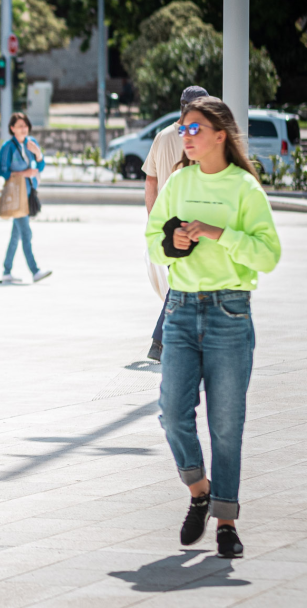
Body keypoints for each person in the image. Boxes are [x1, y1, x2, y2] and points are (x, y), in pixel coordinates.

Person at [145, 96, 281, 560]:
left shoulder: (245, 187)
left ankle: (226, 521)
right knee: (172, 412)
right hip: (180, 311)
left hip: (230, 313)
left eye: (194, 129)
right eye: (182, 129)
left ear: (220, 134)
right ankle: (199, 489)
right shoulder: (179, 181)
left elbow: (268, 254)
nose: (186, 136)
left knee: (226, 425)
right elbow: (154, 240)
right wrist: (175, 240)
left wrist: (219, 233)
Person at [143, 86, 211, 361]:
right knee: (183, 281)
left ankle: (171, 341)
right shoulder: (201, 135)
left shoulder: (162, 136)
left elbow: (150, 181)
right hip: (193, 218)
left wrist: (154, 221)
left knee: (183, 280)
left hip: (168, 220)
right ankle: (160, 341)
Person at [0, 112, 52, 284]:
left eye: (25, 126)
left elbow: (40, 167)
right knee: (26, 233)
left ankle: (6, 271)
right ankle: (35, 271)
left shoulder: (31, 143)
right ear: (12, 128)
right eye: (20, 126)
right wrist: (23, 173)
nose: (24, 129)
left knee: (16, 235)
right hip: (16, 195)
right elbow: (1, 172)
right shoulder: (8, 147)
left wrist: (38, 154)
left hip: (28, 195)